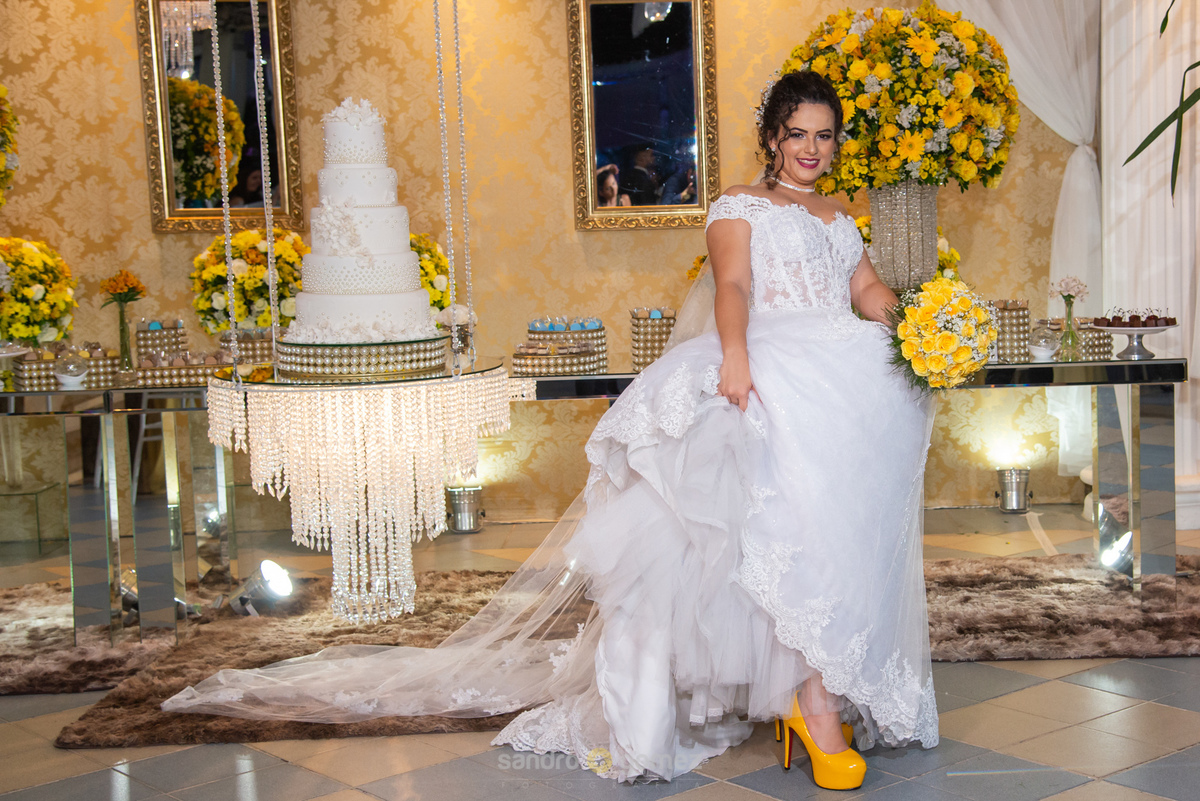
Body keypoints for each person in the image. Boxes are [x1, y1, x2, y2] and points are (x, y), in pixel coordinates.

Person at [162, 71, 938, 790]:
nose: (812, 149)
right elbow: (732, 285)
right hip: (768, 364)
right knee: (778, 531)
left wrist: (922, 329)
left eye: (825, 135)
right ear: (772, 136)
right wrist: (735, 356)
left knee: (839, 535)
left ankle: (822, 686)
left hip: (836, 378)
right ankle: (812, 702)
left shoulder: (840, 215)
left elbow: (865, 288)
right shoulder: (738, 206)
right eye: (798, 133)